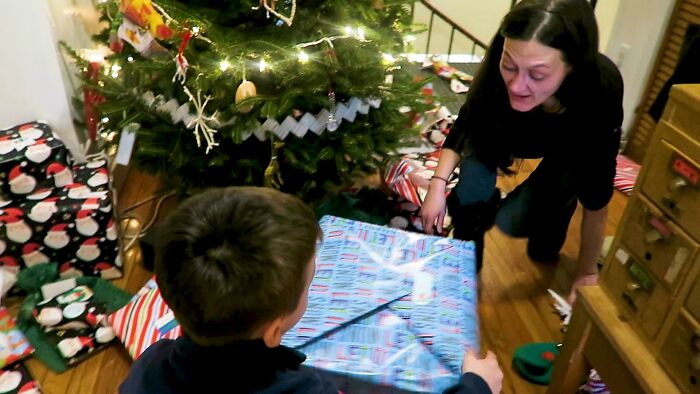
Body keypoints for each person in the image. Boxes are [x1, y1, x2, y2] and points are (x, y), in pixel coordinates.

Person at [120, 186, 504, 394]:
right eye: (309, 282)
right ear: (273, 332)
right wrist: (476, 386)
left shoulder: (150, 365)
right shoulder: (306, 389)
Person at [421, 0, 623, 302]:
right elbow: (467, 125)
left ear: (572, 67)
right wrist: (437, 186)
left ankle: (556, 207)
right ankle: (466, 262)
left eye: (538, 74)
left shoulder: (600, 89)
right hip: (504, 136)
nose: (516, 85)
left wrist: (586, 273)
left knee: (520, 227)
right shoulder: (497, 66)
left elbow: (597, 197)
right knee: (470, 192)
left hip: (565, 151)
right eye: (509, 66)